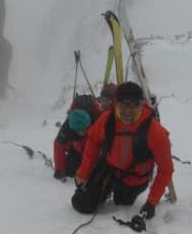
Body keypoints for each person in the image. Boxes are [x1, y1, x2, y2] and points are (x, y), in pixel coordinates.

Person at [72, 81, 174, 225]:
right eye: (123, 105)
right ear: (116, 104)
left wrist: (151, 202)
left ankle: (115, 191)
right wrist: (84, 171)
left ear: (141, 105)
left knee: (122, 201)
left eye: (134, 105)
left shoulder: (154, 132)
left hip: (134, 178)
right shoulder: (107, 120)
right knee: (81, 203)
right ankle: (102, 189)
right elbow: (93, 141)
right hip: (109, 169)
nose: (128, 111)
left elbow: (166, 170)